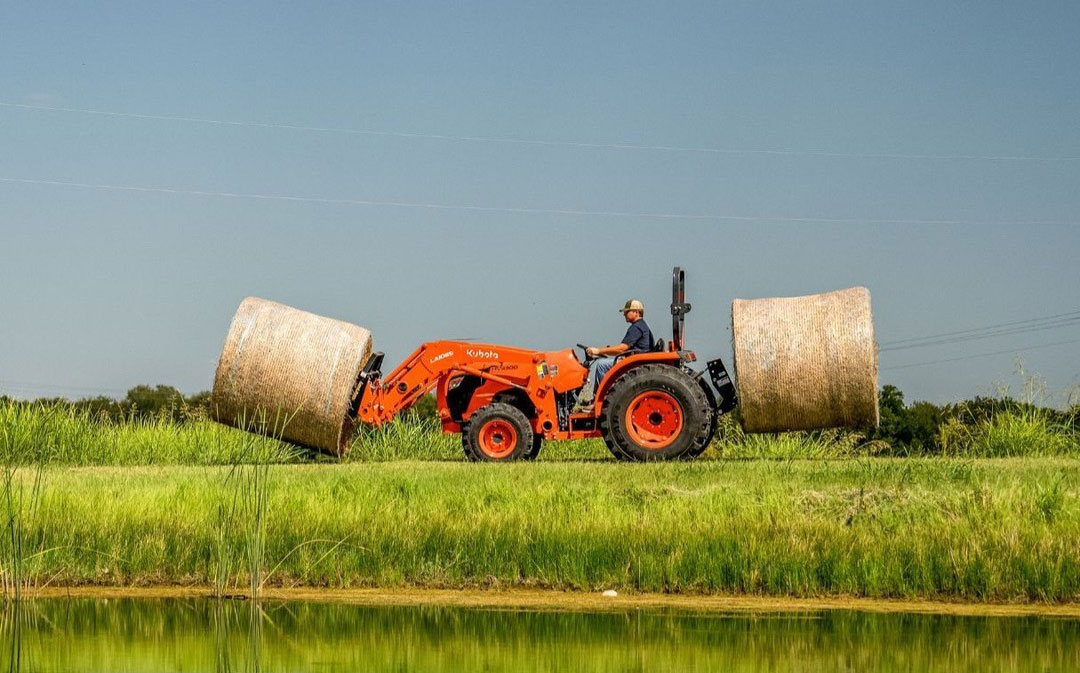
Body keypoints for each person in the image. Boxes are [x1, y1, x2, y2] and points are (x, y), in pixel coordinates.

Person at [574, 299, 654, 412]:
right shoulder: (641, 326)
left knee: (601, 365)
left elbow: (622, 348)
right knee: (605, 363)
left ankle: (597, 401)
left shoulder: (637, 327)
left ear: (636, 312)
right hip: (633, 359)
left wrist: (598, 351)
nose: (624, 314)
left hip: (634, 363)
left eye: (627, 311)